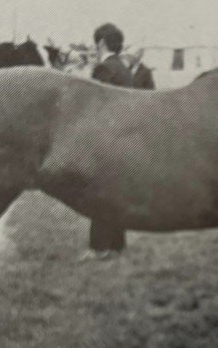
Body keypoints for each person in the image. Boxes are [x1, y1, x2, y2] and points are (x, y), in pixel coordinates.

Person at [85, 23, 133, 260]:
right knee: (117, 194)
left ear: (102, 43)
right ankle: (116, 245)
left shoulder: (103, 69)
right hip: (126, 139)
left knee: (100, 194)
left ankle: (99, 247)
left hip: (105, 139)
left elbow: (94, 108)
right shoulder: (125, 69)